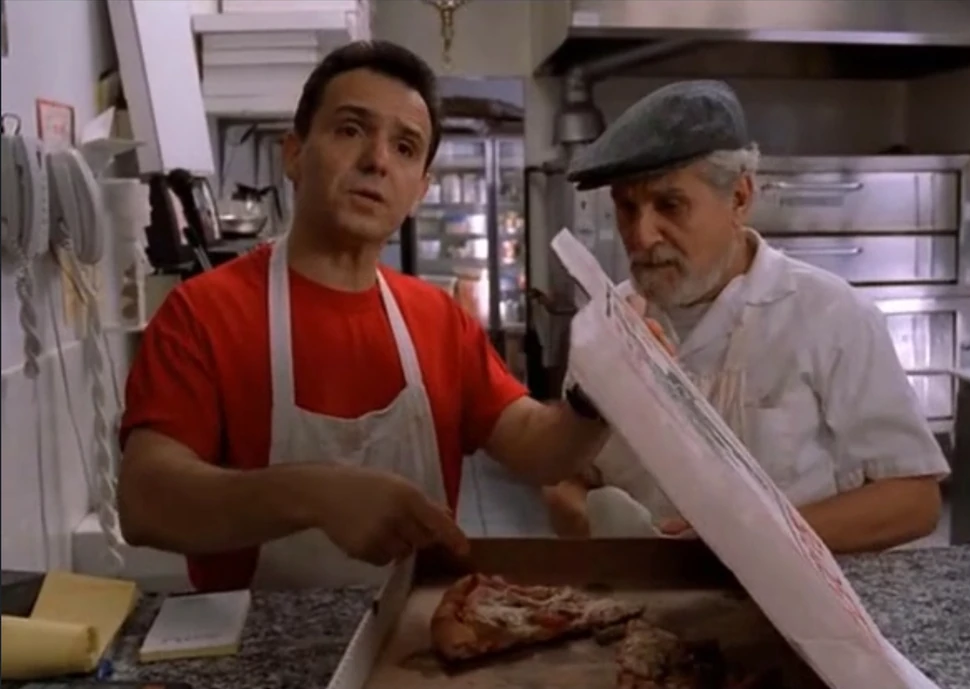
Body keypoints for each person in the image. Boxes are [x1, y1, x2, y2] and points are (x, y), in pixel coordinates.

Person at [116, 41, 623, 591]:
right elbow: (146, 501)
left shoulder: (438, 320)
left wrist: (601, 392)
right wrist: (315, 495)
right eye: (351, 130)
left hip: (410, 632)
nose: (377, 160)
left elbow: (535, 445)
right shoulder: (204, 312)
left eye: (405, 147)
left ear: (420, 190)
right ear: (294, 154)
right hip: (261, 636)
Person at [542, 80, 949, 553]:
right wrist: (595, 523)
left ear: (739, 198)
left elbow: (913, 500)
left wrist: (747, 540)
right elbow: (564, 477)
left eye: (670, 205)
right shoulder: (604, 325)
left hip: (791, 597)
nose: (642, 234)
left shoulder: (830, 315)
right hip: (642, 593)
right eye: (626, 208)